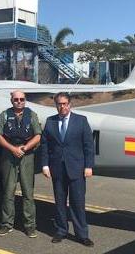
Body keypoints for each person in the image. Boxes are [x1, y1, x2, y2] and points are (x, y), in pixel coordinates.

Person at [41, 92, 95, 247]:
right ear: (56, 105)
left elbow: (88, 145)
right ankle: (61, 231)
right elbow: (45, 145)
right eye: (59, 103)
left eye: (64, 103)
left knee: (78, 202)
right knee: (59, 202)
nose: (62, 106)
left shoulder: (81, 121)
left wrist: (88, 166)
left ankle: (82, 234)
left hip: (77, 168)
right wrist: (45, 165)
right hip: (57, 168)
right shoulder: (50, 122)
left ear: (70, 104)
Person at [0, 90, 41, 238]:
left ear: (25, 100)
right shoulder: (4, 115)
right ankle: (6, 224)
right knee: (8, 192)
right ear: (11, 101)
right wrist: (13, 149)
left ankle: (30, 226)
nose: (19, 101)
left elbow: (38, 135)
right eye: (16, 99)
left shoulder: (32, 115)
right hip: (9, 154)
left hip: (27, 155)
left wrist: (25, 148)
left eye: (22, 99)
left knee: (28, 193)